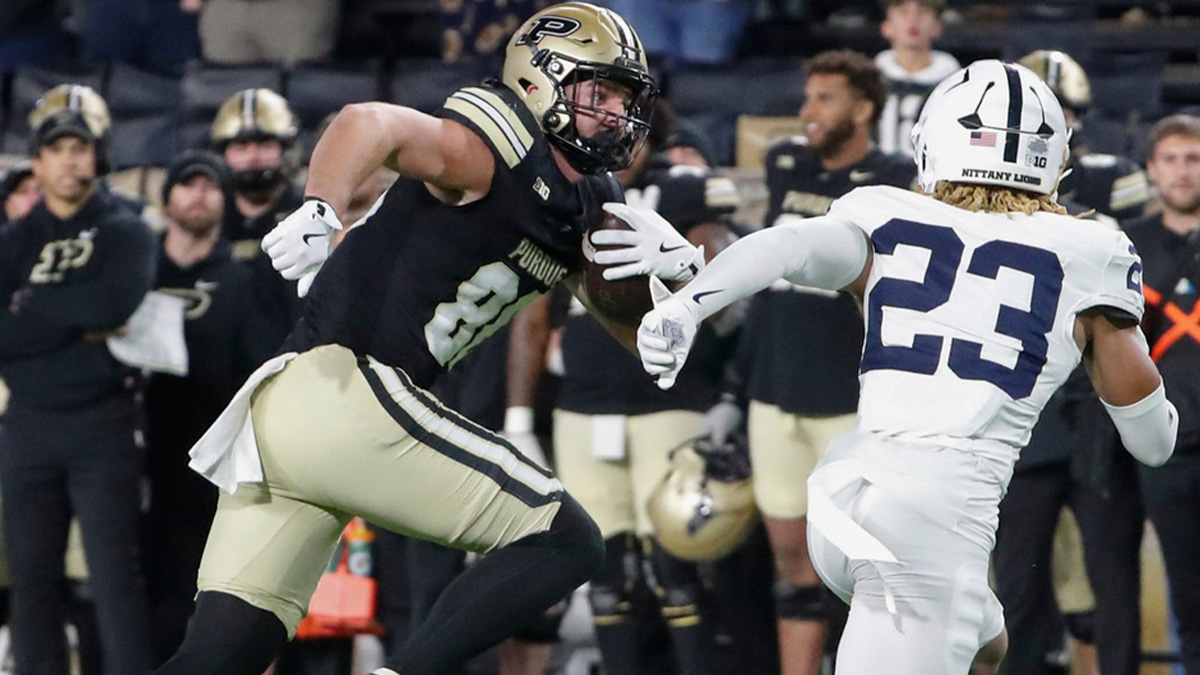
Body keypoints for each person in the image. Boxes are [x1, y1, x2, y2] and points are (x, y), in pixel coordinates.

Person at [154, 5, 704, 675]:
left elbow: (650, 345)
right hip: (351, 390)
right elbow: (367, 122)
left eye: (624, 97)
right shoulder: (492, 145)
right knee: (567, 541)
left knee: (218, 655)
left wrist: (686, 280)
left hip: (288, 413)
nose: (617, 113)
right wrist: (319, 205)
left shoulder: (588, 201)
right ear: (542, 80)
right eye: (601, 92)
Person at [633, 59, 1178, 675]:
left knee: (985, 646)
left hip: (844, 496)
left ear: (930, 141)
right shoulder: (1093, 249)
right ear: (1053, 161)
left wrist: (690, 301)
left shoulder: (882, 210)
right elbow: (1151, 441)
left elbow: (788, 247)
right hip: (932, 524)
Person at [739, 49, 914, 675]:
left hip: (848, 394)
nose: (808, 112)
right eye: (808, 97)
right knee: (791, 560)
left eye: (826, 98)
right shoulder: (787, 162)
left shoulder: (895, 178)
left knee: (861, 561)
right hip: (775, 385)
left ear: (864, 109)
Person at [992, 47, 1154, 675]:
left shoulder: (1111, 177)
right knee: (1016, 582)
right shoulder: (978, 196)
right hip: (1021, 400)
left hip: (1093, 406)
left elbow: (1144, 290)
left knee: (1110, 578)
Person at [0, 83, 156, 675]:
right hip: (27, 427)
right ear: (35, 161)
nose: (69, 158)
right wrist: (73, 315)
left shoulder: (128, 229)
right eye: (56, 148)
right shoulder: (11, 241)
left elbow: (113, 303)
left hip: (104, 422)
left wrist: (30, 306)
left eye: (79, 146)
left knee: (115, 573)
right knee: (31, 575)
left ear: (99, 154)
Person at [141, 150, 276, 665]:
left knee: (195, 584)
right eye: (188, 183)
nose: (199, 193)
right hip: (129, 446)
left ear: (225, 200)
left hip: (206, 459)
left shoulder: (243, 279)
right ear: (167, 195)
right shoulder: (137, 266)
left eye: (210, 185)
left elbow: (258, 367)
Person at [1124, 113, 1200, 675]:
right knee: (1189, 595)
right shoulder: (1127, 247)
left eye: (1193, 159)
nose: (1182, 171)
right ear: (1151, 169)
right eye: (1170, 159)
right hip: (1168, 448)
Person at [210, 88, 306, 345]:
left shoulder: (308, 212)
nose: (253, 157)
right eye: (240, 146)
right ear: (222, 154)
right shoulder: (208, 213)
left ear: (287, 149)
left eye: (265, 145)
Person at [874, 0, 960, 156]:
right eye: (902, 12)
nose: (913, 20)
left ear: (937, 27)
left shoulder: (956, 85)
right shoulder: (869, 82)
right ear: (886, 27)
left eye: (923, 11)